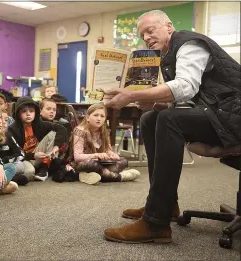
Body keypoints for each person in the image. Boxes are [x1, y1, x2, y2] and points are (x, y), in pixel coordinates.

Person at [103, 10, 241, 244]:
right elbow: (191, 96)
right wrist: (155, 101)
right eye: (142, 35)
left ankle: (155, 222)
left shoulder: (189, 44)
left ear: (168, 27)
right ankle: (165, 205)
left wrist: (130, 95)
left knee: (168, 118)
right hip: (221, 114)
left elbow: (186, 87)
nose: (146, 38)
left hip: (233, 117)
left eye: (150, 30)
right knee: (152, 117)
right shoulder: (169, 55)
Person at [69, 104, 140, 185]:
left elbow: (108, 150)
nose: (99, 119)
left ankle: (93, 175)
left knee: (123, 160)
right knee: (93, 164)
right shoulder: (80, 131)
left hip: (101, 164)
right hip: (83, 163)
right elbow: (77, 157)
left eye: (102, 116)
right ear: (88, 117)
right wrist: (96, 155)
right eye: (96, 115)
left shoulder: (105, 131)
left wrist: (112, 155)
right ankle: (118, 176)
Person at [8, 96, 67, 182]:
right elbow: (14, 153)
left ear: (35, 112)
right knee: (29, 173)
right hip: (25, 158)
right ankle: (10, 179)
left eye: (31, 111)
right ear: (18, 113)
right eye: (24, 111)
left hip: (40, 156)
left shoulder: (39, 124)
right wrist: (32, 155)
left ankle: (44, 167)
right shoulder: (12, 129)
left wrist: (56, 146)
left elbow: (62, 129)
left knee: (53, 133)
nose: (28, 114)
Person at [0, 109, 28, 185]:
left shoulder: (8, 135)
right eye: (0, 118)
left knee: (22, 167)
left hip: (7, 164)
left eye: (6, 120)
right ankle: (4, 180)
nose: (4, 122)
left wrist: (7, 160)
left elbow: (21, 153)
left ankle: (5, 178)